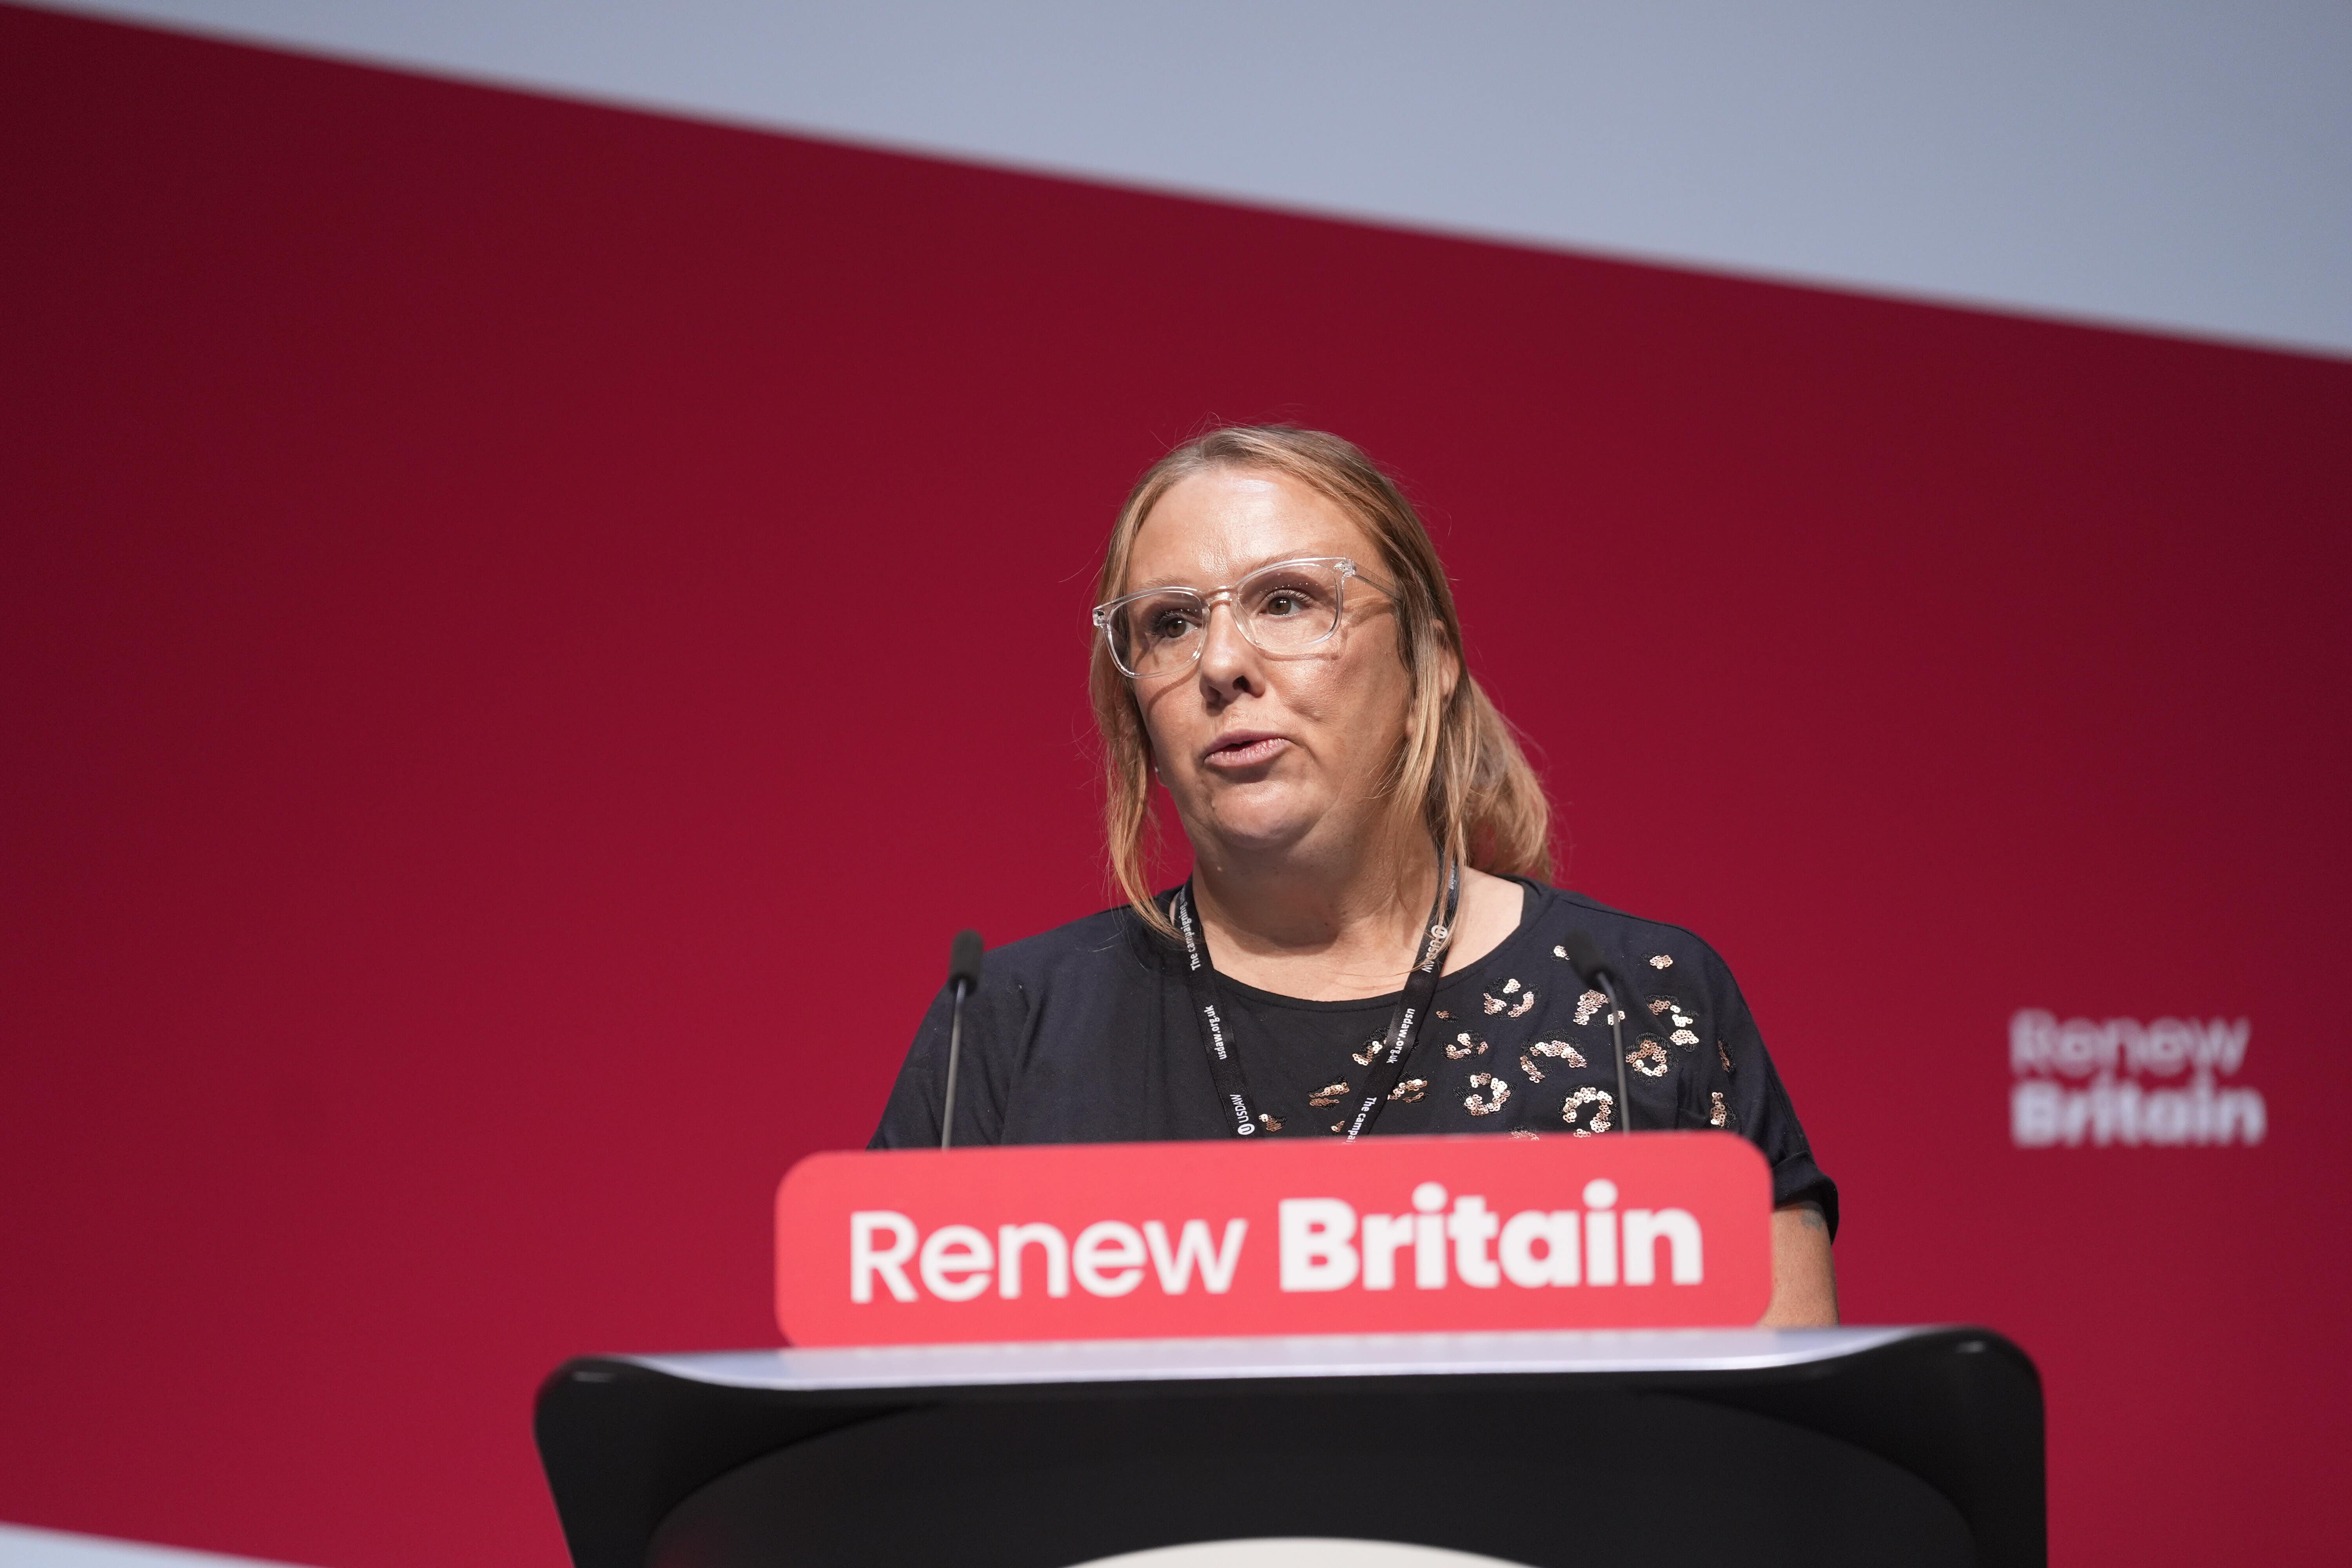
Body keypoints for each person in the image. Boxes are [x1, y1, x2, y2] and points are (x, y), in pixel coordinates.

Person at [871, 426, 1838, 1325]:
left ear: (1430, 665)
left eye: (1287, 601)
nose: (1220, 664)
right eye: (1168, 622)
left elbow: (1793, 1457)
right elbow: (891, 1449)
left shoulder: (1633, 1002)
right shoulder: (1003, 1028)